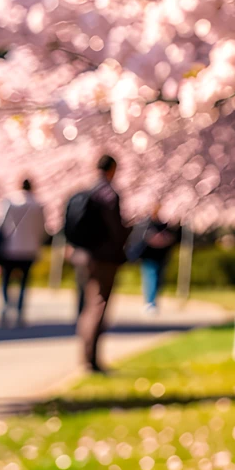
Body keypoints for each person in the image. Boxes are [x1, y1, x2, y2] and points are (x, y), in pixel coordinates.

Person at [72, 155, 130, 373]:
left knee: (87, 305)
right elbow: (116, 230)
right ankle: (91, 359)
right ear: (112, 169)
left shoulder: (85, 192)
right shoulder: (108, 195)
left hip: (83, 257)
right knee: (98, 305)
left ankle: (87, 355)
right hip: (103, 258)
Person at [0, 178, 47, 327]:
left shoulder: (9, 202)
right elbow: (42, 229)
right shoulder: (38, 204)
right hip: (29, 248)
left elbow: (0, 224)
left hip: (10, 247)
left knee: (6, 281)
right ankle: (20, 311)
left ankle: (6, 307)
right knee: (24, 282)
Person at [130, 205, 176, 315]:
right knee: (151, 278)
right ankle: (150, 302)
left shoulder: (166, 225)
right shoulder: (146, 224)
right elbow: (143, 238)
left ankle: (153, 301)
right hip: (149, 256)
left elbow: (173, 238)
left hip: (162, 256)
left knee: (158, 280)